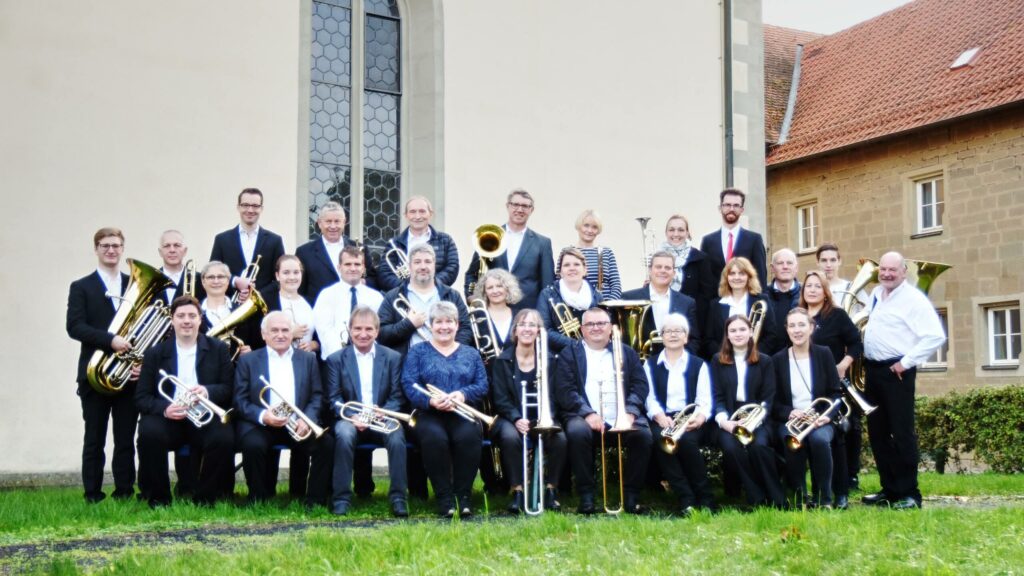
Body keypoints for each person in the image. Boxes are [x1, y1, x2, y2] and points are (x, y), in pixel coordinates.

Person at [861, 252, 945, 510]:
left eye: (892, 270)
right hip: (873, 370)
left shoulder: (914, 300)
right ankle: (890, 489)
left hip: (896, 372)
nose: (886, 273)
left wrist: (905, 363)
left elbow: (935, 336)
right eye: (883, 269)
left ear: (904, 271)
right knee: (878, 433)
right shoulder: (876, 293)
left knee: (902, 432)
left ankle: (910, 493)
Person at [135, 296, 235, 508]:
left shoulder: (218, 349)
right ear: (172, 320)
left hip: (202, 415)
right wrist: (165, 409)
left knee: (224, 436)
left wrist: (207, 391)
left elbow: (228, 388)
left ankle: (206, 498)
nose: (186, 321)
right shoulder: (155, 353)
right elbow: (142, 397)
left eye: (192, 316)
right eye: (181, 316)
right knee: (148, 433)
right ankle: (159, 499)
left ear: (200, 319)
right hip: (170, 418)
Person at [555, 307, 653, 515]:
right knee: (577, 432)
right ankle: (586, 496)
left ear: (611, 328)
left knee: (643, 436)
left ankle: (631, 495)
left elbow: (640, 385)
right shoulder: (570, 353)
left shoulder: (626, 351)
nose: (596, 328)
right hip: (584, 416)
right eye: (590, 324)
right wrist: (587, 413)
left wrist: (630, 411)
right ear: (582, 329)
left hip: (622, 416)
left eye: (601, 323)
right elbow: (565, 390)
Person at [66, 227, 137, 503]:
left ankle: (124, 491)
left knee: (125, 439)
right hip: (93, 375)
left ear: (122, 249)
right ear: (96, 249)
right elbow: (74, 327)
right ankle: (92, 493)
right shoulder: (81, 286)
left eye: (116, 245)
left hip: (126, 374)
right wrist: (111, 341)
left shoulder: (134, 284)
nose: (111, 250)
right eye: (105, 245)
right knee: (94, 438)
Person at [234, 311, 334, 506]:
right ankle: (258, 499)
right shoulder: (248, 360)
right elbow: (239, 400)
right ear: (264, 334)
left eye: (285, 330)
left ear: (292, 334)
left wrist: (306, 419)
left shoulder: (308, 359)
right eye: (274, 330)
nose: (280, 335)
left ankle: (315, 500)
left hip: (298, 423)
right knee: (252, 445)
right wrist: (263, 415)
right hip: (261, 424)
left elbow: (316, 396)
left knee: (326, 444)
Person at [401, 302, 490, 517]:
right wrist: (430, 401)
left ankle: (464, 495)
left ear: (457, 325)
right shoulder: (417, 352)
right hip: (428, 414)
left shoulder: (471, 353)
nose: (444, 327)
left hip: (463, 412)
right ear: (431, 326)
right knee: (435, 439)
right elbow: (408, 383)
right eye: (438, 322)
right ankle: (444, 497)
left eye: (449, 321)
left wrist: (462, 395)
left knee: (469, 436)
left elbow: (482, 384)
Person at [324, 306, 408, 517]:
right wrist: (353, 416)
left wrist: (384, 411)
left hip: (382, 417)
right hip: (351, 418)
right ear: (350, 330)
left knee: (397, 436)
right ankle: (341, 498)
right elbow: (333, 399)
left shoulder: (392, 357)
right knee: (343, 435)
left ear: (377, 331)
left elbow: (397, 395)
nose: (363, 334)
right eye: (358, 329)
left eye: (369, 329)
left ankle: (399, 498)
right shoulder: (336, 359)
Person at [490, 309, 567, 514]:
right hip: (511, 418)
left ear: (539, 331)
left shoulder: (551, 360)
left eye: (532, 325)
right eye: (522, 324)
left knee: (559, 439)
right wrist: (516, 419)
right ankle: (517, 491)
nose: (527, 329)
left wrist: (543, 415)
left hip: (542, 416)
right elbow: (500, 399)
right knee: (509, 437)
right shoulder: (502, 361)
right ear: (515, 331)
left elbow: (555, 395)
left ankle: (551, 491)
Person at [800, 270, 862, 506]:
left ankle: (842, 491)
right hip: (806, 387)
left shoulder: (836, 315)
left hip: (831, 385)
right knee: (814, 437)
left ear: (825, 291)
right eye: (808, 286)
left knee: (836, 439)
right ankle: (817, 491)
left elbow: (856, 342)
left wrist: (844, 364)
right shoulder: (798, 316)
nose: (812, 290)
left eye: (817, 286)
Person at [644, 313, 716, 515]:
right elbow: (648, 398)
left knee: (688, 442)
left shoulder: (699, 364)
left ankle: (705, 496)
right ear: (662, 336)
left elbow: (705, 399)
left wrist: (700, 417)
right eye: (668, 331)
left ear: (686, 337)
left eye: (678, 331)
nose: (673, 335)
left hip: (690, 419)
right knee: (662, 440)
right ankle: (686, 497)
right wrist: (659, 416)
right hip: (663, 418)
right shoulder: (650, 364)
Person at [710, 315, 784, 508]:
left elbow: (768, 398)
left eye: (742, 329)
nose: (738, 334)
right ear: (727, 335)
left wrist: (752, 422)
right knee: (731, 448)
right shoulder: (718, 360)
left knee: (759, 445)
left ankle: (776, 497)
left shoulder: (765, 361)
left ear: (751, 332)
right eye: (732, 330)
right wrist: (724, 421)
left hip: (758, 419)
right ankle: (756, 497)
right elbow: (716, 396)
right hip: (729, 418)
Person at [772, 308, 842, 508]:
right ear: (787, 330)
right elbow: (773, 401)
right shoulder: (777, 359)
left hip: (820, 418)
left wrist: (825, 416)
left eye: (802, 324)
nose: (797, 330)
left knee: (819, 440)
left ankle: (824, 498)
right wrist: (789, 412)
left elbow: (835, 394)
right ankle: (799, 495)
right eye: (792, 325)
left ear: (811, 328)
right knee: (791, 441)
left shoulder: (824, 354)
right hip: (791, 420)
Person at [464, 189, 554, 310]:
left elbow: (547, 284)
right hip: (492, 308)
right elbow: (472, 273)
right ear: (508, 206)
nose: (520, 209)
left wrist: (543, 313)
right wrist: (471, 296)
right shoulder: (490, 237)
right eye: (515, 204)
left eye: (525, 206)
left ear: (531, 210)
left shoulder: (543, 243)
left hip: (527, 312)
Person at [378, 244, 472, 356]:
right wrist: (408, 324)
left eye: (428, 262)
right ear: (409, 266)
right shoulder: (393, 297)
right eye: (417, 262)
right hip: (407, 367)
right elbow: (381, 334)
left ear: (434, 265)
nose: (423, 266)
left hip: (446, 365)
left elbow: (466, 330)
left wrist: (450, 354)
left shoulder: (452, 295)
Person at [209, 188, 286, 300]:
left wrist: (256, 294)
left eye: (255, 206)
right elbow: (213, 272)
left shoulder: (275, 241)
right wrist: (235, 281)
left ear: (261, 208)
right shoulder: (222, 240)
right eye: (245, 205)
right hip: (230, 304)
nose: (250, 210)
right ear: (238, 207)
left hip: (263, 307)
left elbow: (280, 278)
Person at [621, 250, 701, 357]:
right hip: (639, 364)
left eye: (667, 268)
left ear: (674, 273)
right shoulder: (629, 298)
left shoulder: (687, 302)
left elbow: (693, 339)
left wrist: (682, 361)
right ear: (650, 270)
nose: (663, 271)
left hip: (675, 364)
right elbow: (624, 337)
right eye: (658, 267)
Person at [296, 201, 375, 304]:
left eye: (337, 221)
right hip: (318, 313)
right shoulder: (304, 253)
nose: (333, 226)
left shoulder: (360, 248)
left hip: (354, 310)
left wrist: (364, 282)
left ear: (344, 222)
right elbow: (299, 290)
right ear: (320, 223)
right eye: (328, 221)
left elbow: (374, 280)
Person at [376, 196, 460, 292]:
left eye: (422, 211)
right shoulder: (394, 244)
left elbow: (452, 268)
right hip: (404, 296)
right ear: (406, 215)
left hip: (437, 294)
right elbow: (384, 273)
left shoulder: (446, 240)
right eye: (412, 212)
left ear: (430, 214)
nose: (417, 216)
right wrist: (406, 288)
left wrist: (431, 285)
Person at [704, 257, 777, 358]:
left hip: (755, 362)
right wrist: (725, 356)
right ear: (726, 277)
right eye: (732, 273)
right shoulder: (715, 305)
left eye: (742, 273)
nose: (736, 277)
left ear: (749, 276)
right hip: (724, 363)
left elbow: (771, 335)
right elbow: (709, 340)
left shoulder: (761, 301)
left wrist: (753, 355)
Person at [699, 188, 768, 288]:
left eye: (736, 205)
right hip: (716, 301)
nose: (731, 209)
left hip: (746, 301)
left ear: (742, 210)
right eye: (727, 205)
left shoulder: (754, 240)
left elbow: (760, 277)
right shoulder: (708, 241)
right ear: (720, 208)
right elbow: (704, 278)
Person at [660, 214, 715, 334]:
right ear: (666, 232)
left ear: (687, 233)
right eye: (672, 230)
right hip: (664, 316)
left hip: (693, 319)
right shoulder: (658, 257)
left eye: (681, 230)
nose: (676, 234)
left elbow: (707, 294)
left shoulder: (700, 258)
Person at [538, 248, 600, 353]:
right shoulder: (548, 295)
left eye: (576, 264)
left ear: (585, 270)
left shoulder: (596, 296)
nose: (572, 268)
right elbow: (544, 330)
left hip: (591, 354)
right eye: (566, 265)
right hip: (559, 354)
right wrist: (576, 344)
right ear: (560, 272)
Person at [263, 255, 319, 356]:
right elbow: (259, 338)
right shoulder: (267, 303)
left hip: (307, 363)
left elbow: (321, 336)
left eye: (296, 272)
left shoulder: (312, 302)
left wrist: (314, 344)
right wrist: (290, 334)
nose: (292, 277)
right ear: (277, 276)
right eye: (286, 273)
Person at [199, 261, 258, 357]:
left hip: (236, 370)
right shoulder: (193, 312)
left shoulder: (243, 311)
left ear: (228, 281)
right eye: (211, 277)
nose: (216, 281)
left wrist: (250, 353)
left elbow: (256, 344)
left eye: (221, 277)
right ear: (203, 282)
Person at [469, 268, 524, 360]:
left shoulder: (520, 316)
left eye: (499, 286)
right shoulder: (477, 317)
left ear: (507, 289)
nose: (495, 291)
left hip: (516, 370)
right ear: (484, 292)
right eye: (490, 288)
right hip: (486, 371)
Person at [569, 209, 621, 300]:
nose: (590, 230)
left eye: (594, 227)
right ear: (579, 226)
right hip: (576, 307)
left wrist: (606, 308)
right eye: (586, 225)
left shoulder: (607, 252)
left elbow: (616, 286)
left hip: (604, 309)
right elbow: (560, 282)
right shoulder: (567, 252)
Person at [764, 248, 801, 353]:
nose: (785, 267)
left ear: (796, 268)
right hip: (768, 358)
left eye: (789, 263)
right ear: (772, 268)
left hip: (797, 357)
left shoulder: (806, 294)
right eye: (780, 263)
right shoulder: (761, 295)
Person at [817, 243, 869, 315]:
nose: (828, 265)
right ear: (818, 263)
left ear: (839, 261)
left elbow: (869, 313)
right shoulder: (813, 290)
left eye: (833, 260)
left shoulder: (853, 288)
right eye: (824, 260)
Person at [155, 230, 202, 305]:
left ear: (185, 251)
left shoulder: (199, 279)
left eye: (177, 245)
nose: (172, 250)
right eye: (167, 246)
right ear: (160, 252)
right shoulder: (152, 280)